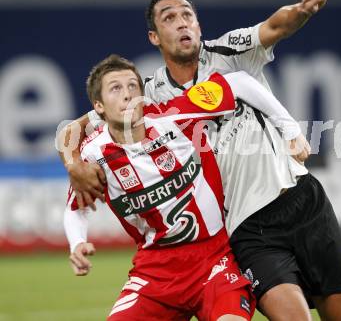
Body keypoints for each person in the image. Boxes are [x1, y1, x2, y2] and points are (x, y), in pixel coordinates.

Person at [60, 0, 341, 321]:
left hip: (300, 195)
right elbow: (74, 129)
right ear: (154, 37)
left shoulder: (228, 53)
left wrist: (303, 11)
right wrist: (73, 165)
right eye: (169, 18)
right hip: (245, 225)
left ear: (199, 25)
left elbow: (276, 25)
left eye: (187, 14)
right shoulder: (148, 95)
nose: (182, 22)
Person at [64, 54, 305, 320]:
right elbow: (77, 208)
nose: (127, 94)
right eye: (116, 88)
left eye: (133, 86)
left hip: (215, 258)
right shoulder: (93, 154)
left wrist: (291, 129)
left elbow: (237, 82)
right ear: (98, 106)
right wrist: (77, 243)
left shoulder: (175, 117)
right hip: (155, 270)